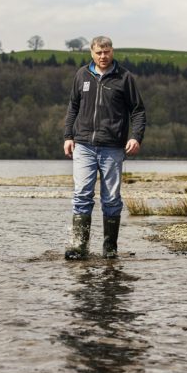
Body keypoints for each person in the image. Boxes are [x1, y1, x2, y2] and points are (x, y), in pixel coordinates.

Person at [62, 36, 146, 259]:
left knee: (111, 199)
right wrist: (68, 136)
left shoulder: (124, 77)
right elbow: (73, 106)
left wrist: (136, 137)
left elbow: (138, 111)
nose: (103, 56)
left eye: (106, 52)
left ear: (112, 52)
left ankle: (109, 249)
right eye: (99, 52)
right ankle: (79, 247)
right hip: (84, 146)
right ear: (92, 53)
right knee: (81, 195)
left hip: (112, 147)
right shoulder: (82, 75)